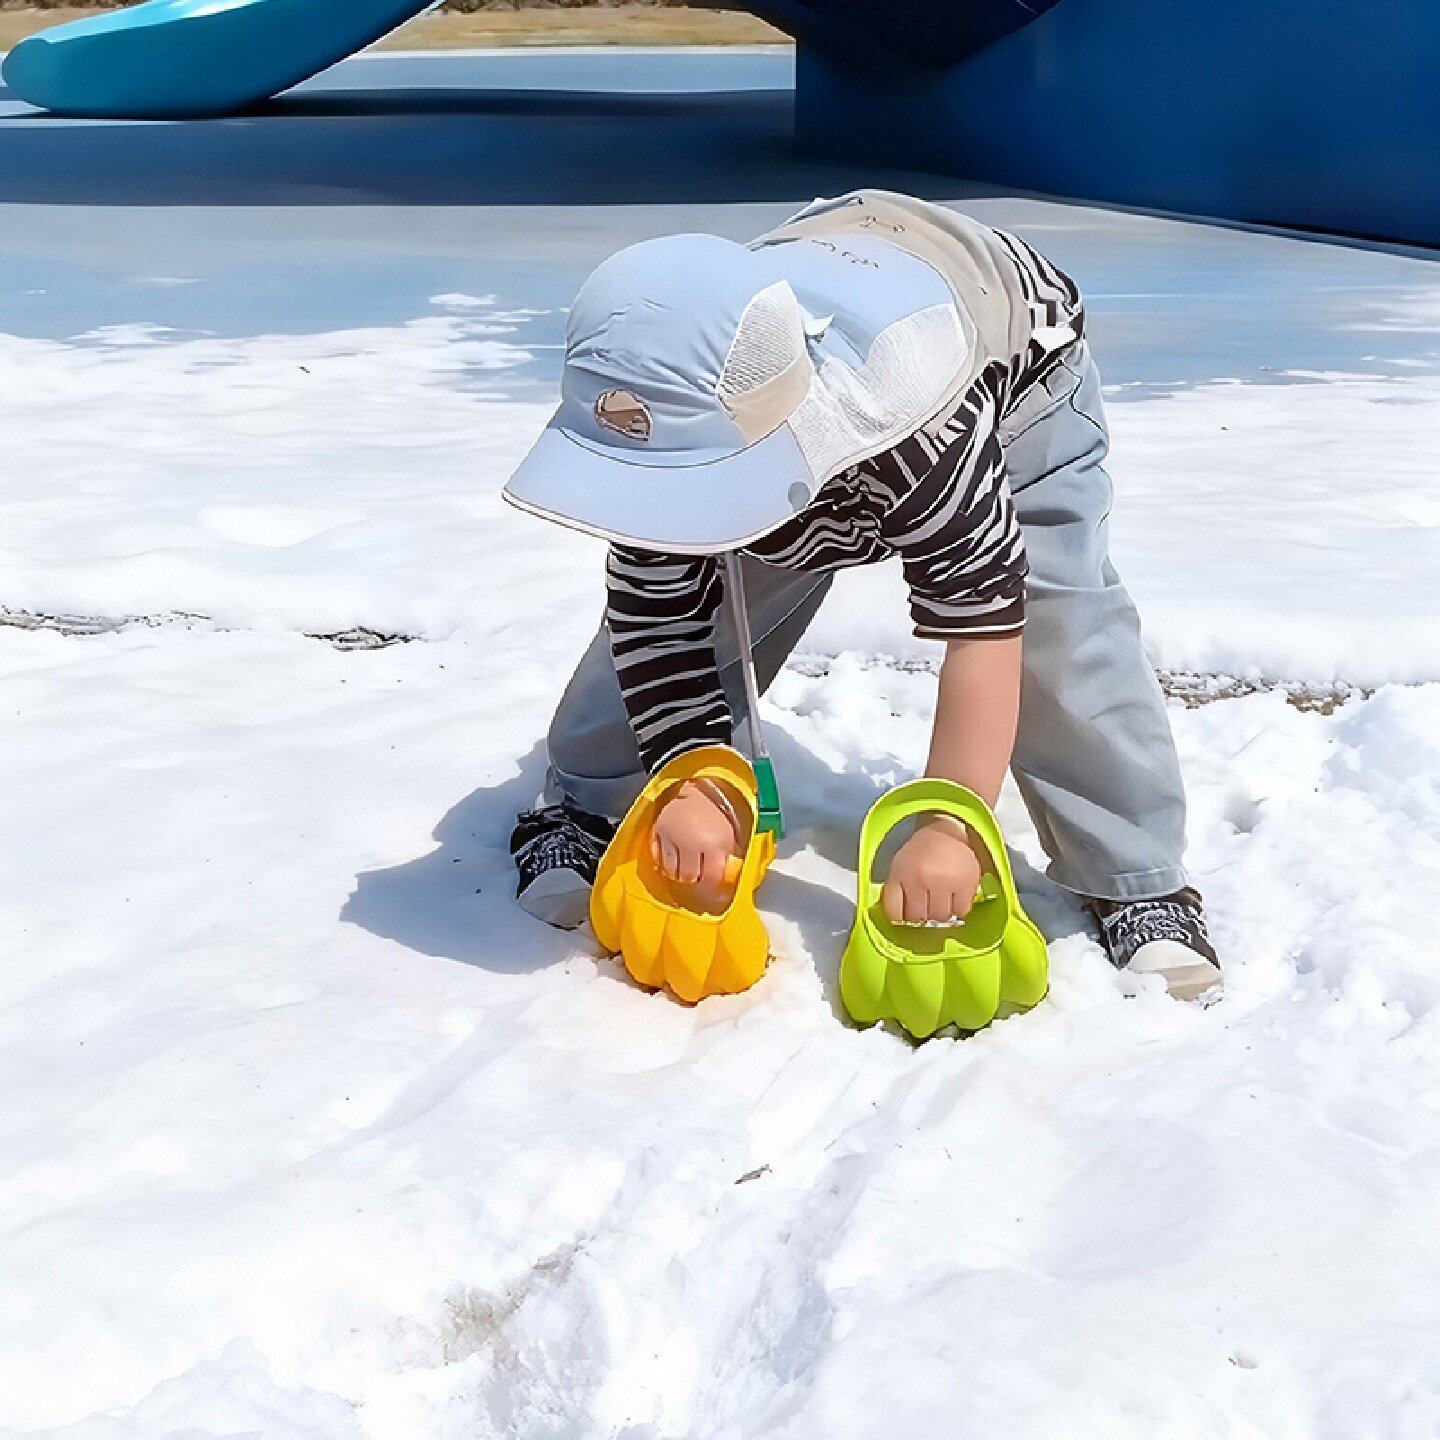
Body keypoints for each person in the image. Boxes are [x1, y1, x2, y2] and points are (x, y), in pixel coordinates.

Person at [502, 189, 1221, 1000]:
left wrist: (951, 824)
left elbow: (985, 627)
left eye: (693, 486)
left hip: (1012, 367)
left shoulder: (918, 425)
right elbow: (655, 616)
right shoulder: (659, 414)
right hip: (780, 352)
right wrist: (692, 773)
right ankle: (591, 800)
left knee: (1054, 609)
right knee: (704, 598)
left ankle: (1137, 877)